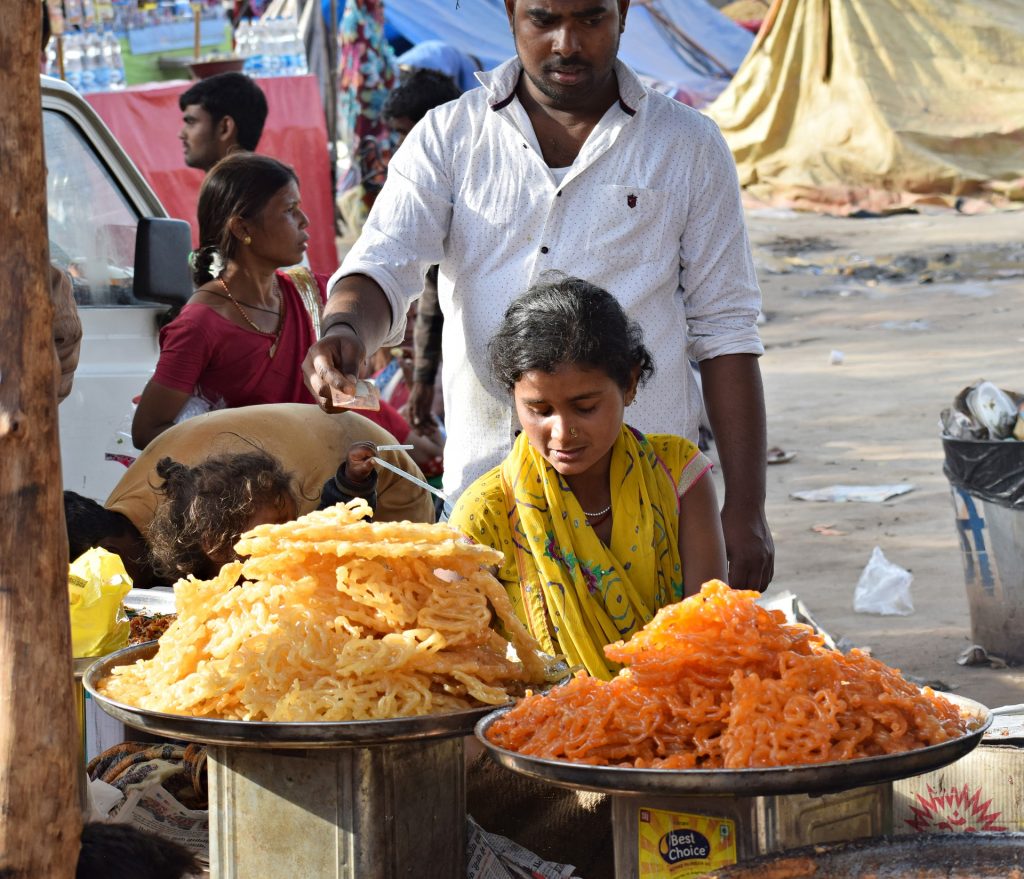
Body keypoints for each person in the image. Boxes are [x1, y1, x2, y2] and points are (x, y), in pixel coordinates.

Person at [303, 0, 774, 590]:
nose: (566, 44)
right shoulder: (449, 137)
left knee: (655, 674)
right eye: (544, 20)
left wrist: (747, 507)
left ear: (624, 13)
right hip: (489, 503)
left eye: (590, 20)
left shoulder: (688, 146)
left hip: (647, 514)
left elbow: (726, 330)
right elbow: (381, 264)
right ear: (510, 14)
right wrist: (344, 331)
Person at [449, 276, 726, 679]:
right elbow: (456, 657)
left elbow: (709, 630)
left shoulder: (678, 475)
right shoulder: (485, 513)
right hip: (538, 730)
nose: (562, 432)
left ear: (629, 384)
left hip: (679, 716)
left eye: (585, 407)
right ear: (514, 396)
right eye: (540, 410)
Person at [67, 403, 435, 585]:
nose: (288, 534)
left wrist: (354, 482)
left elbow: (335, 527)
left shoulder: (272, 521)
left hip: (371, 468)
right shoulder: (212, 546)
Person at [132, 154, 325, 449]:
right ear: (243, 228)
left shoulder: (306, 293)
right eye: (290, 210)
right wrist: (240, 453)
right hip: (244, 489)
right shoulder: (200, 325)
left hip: (312, 476)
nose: (305, 221)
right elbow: (147, 430)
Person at [178, 71, 268, 172]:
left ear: (225, 127)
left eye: (191, 122)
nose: (181, 134)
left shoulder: (249, 187)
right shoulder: (268, 184)